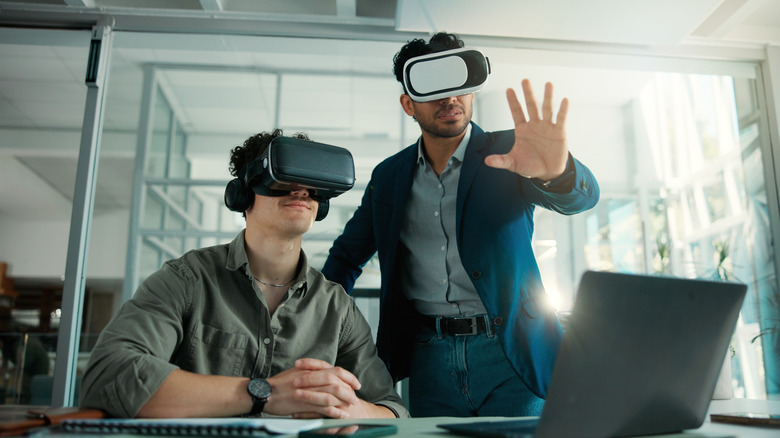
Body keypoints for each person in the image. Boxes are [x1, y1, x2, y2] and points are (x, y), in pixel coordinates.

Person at [321, 32, 600, 417]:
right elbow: (347, 258)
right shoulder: (389, 177)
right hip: (427, 356)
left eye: (459, 84)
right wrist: (317, 324)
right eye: (433, 87)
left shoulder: (512, 152)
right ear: (408, 103)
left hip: (510, 352)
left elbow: (581, 199)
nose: (450, 98)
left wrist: (557, 173)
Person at [80, 129, 408, 420]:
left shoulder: (337, 309)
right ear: (242, 194)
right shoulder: (186, 280)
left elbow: (393, 409)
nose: (301, 192)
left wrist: (350, 410)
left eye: (310, 184)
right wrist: (264, 393)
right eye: (284, 178)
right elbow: (109, 375)